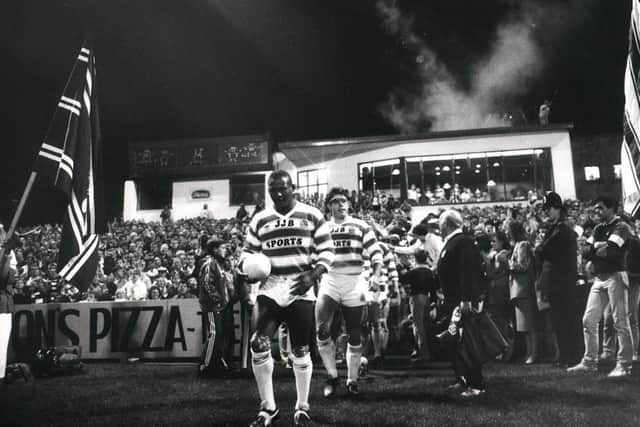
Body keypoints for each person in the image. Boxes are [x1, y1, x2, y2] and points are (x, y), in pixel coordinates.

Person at [243, 170, 334, 427]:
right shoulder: (260, 219)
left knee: (300, 350)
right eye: (273, 190)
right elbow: (246, 254)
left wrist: (313, 273)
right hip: (270, 288)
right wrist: (247, 270)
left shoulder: (312, 214)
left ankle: (302, 408)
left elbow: (327, 250)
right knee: (258, 343)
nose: (278, 194)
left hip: (300, 288)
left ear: (293, 188)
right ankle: (268, 408)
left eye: (283, 189)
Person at [316, 187, 382, 398]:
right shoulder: (323, 228)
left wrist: (376, 275)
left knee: (355, 332)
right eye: (336, 201)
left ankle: (352, 380)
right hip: (330, 279)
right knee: (322, 330)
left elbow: (376, 252)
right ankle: (332, 376)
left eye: (344, 201)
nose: (341, 204)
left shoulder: (361, 225)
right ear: (329, 205)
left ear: (349, 204)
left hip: (355, 280)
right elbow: (313, 253)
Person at [568, 195, 633, 377]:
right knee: (588, 320)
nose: (597, 212)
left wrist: (596, 248)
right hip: (600, 277)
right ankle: (589, 362)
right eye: (596, 208)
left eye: (601, 208)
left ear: (612, 208)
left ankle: (624, 365)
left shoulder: (621, 226)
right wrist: (599, 247)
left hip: (616, 276)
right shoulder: (598, 228)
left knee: (620, 322)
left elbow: (611, 253)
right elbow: (586, 251)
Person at [437, 209, 485, 396]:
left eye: (440, 225)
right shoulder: (453, 242)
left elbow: (468, 272)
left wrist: (466, 299)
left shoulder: (463, 242)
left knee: (466, 342)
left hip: (460, 302)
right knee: (454, 341)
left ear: (446, 224)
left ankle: (476, 384)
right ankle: (462, 379)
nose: (439, 229)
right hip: (451, 301)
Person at [198, 236, 235, 377]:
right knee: (214, 334)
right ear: (214, 249)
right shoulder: (209, 263)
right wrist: (218, 300)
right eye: (223, 247)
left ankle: (216, 363)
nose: (226, 250)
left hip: (219, 305)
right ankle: (205, 365)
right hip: (212, 306)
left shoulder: (218, 263)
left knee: (219, 334)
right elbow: (207, 284)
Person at [399, 249, 438, 363]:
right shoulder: (429, 271)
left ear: (415, 258)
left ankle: (423, 353)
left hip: (416, 298)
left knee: (418, 326)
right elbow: (433, 289)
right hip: (427, 298)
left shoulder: (414, 271)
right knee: (425, 325)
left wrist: (401, 268)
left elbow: (403, 279)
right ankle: (429, 351)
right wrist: (434, 301)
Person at [508, 221, 538, 364]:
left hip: (523, 288)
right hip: (518, 289)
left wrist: (507, 263)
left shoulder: (523, 245)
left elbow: (523, 265)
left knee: (529, 325)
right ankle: (528, 353)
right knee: (524, 326)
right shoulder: (518, 245)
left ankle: (533, 353)